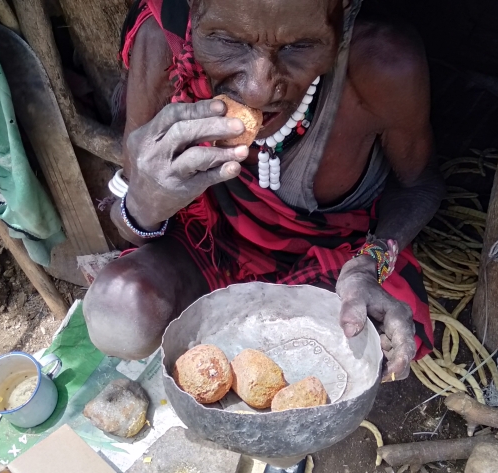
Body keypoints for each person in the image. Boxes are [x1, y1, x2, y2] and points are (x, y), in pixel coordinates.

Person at [84, 0, 444, 383]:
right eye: (225, 40)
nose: (258, 89)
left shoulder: (379, 64)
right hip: (205, 247)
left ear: (345, 15)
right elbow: (128, 215)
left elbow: (418, 184)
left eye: (298, 46)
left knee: (356, 361)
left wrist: (369, 265)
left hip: (333, 264)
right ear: (193, 13)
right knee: (121, 315)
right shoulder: (165, 50)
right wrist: (142, 206)